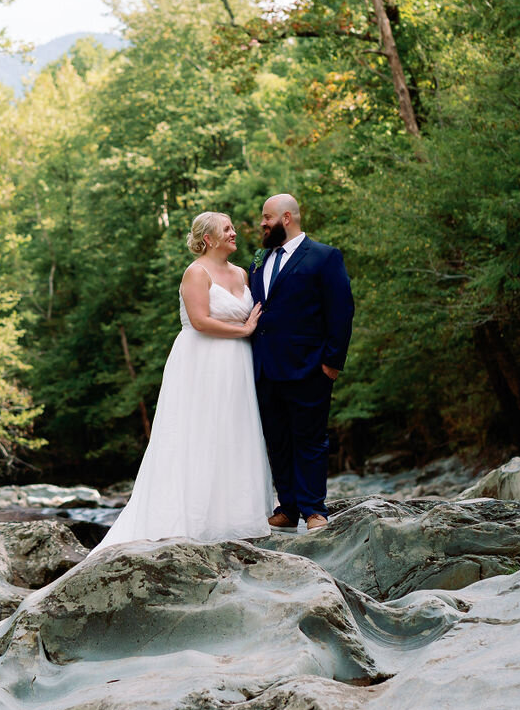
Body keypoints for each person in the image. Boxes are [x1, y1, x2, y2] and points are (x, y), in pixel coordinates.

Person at [94, 211, 273, 548]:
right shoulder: (196, 272)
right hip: (200, 362)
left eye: (232, 227)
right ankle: (186, 517)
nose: (235, 233)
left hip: (237, 363)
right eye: (227, 228)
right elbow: (200, 320)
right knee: (198, 433)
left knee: (234, 431)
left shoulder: (242, 274)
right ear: (209, 239)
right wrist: (245, 329)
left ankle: (234, 517)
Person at [248, 193, 354, 531]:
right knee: (277, 439)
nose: (262, 223)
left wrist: (332, 362)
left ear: (287, 218)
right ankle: (288, 507)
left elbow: (341, 310)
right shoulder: (259, 260)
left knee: (310, 438)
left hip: (309, 365)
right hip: (265, 366)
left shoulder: (324, 257)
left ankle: (314, 510)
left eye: (267, 217)